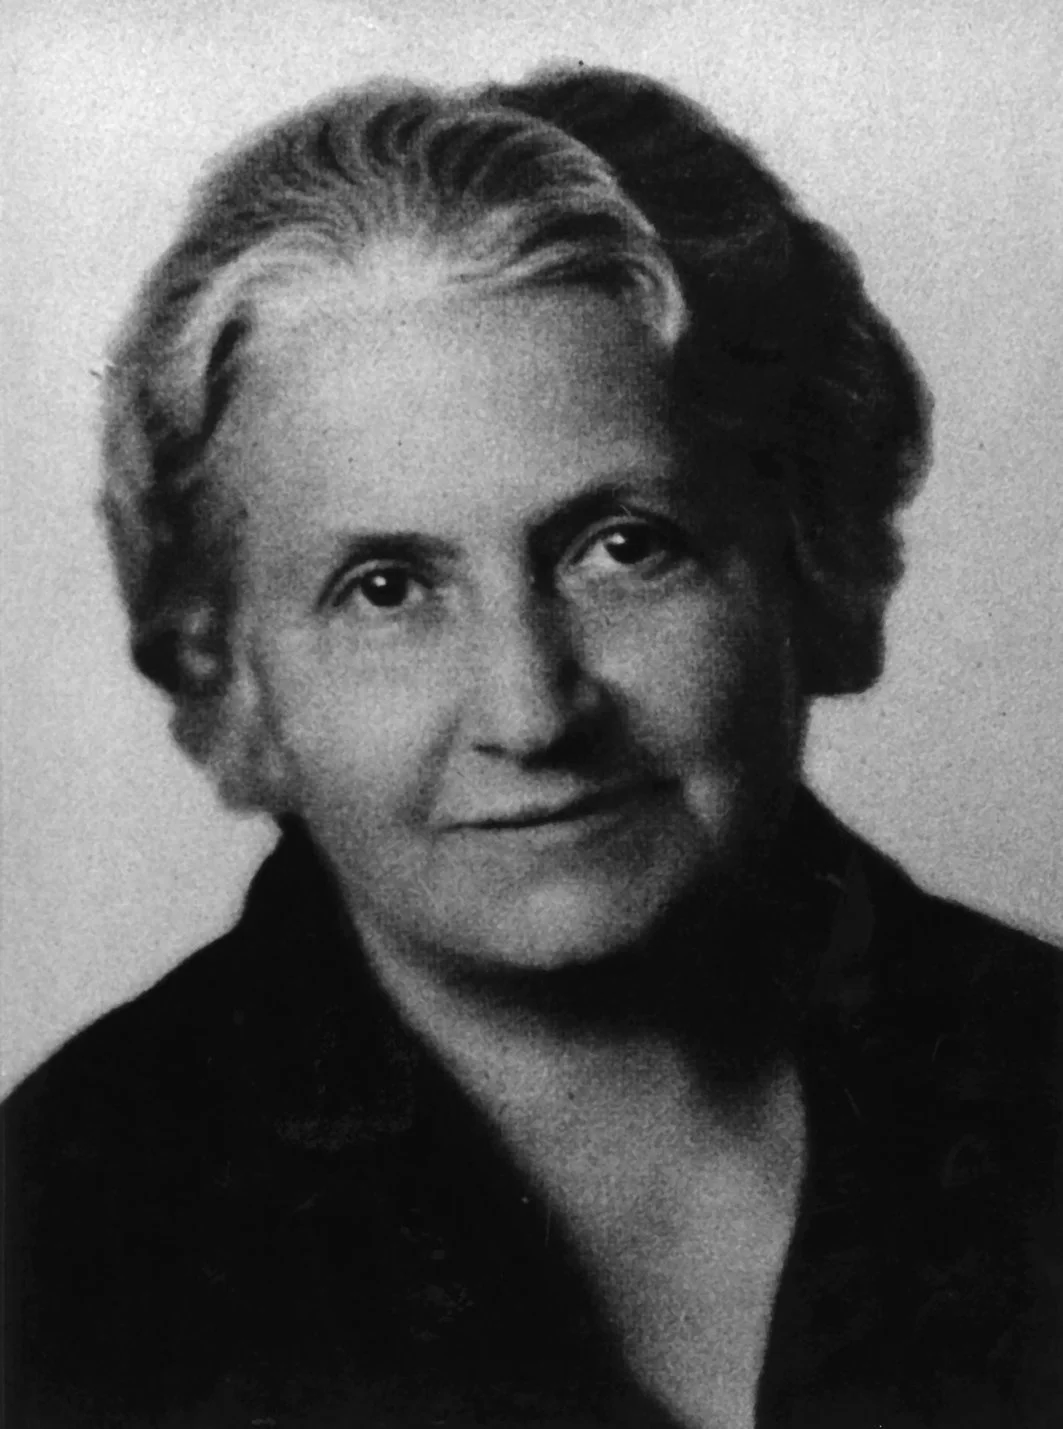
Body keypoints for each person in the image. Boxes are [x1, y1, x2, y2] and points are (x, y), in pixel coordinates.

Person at [2, 64, 1060, 1429]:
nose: (531, 712)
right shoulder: (56, 1260)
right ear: (233, 692)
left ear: (821, 578)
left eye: (624, 548)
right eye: (386, 587)